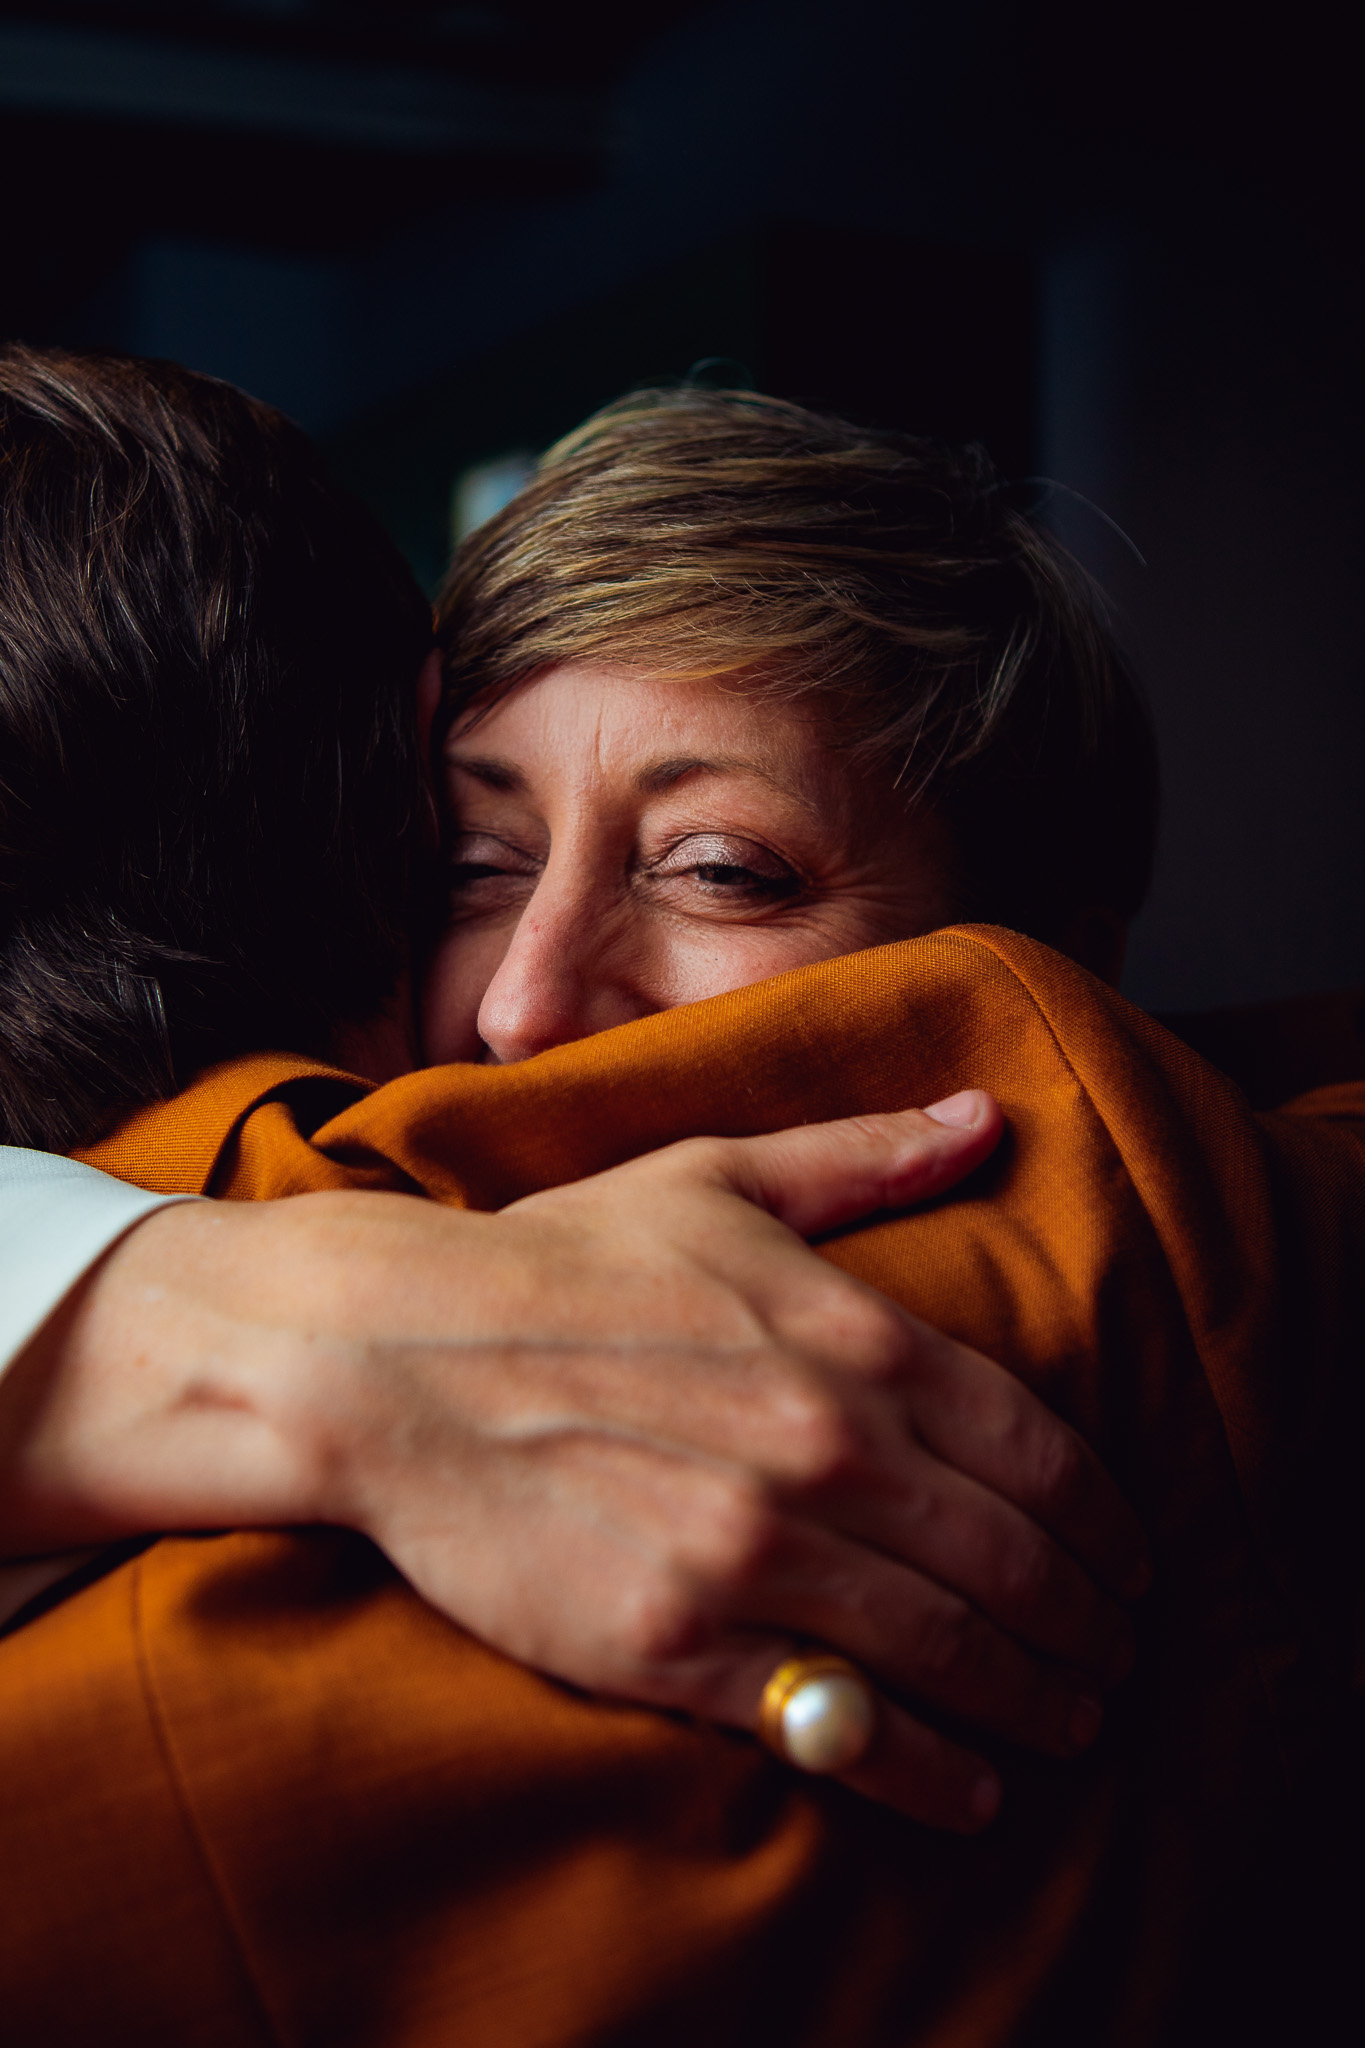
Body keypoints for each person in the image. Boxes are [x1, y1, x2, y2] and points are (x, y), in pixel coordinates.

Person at [2, 355, 1357, 2044]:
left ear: (1044, 968)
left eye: (723, 868)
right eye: (471, 866)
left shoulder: (1094, 1244)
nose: (526, 1004)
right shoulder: (278, 1199)